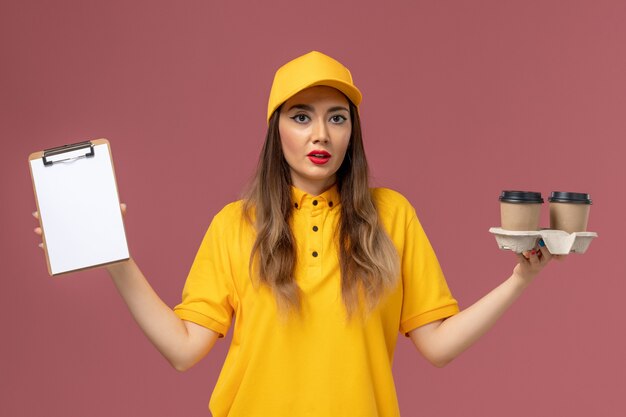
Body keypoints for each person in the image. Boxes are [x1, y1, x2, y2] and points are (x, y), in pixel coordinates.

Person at [33, 51, 553, 417]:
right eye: (301, 117)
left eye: (337, 118)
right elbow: (184, 349)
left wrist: (520, 280)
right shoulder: (235, 224)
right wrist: (116, 258)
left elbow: (437, 345)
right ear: (276, 129)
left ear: (353, 131)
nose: (320, 134)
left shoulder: (392, 216)